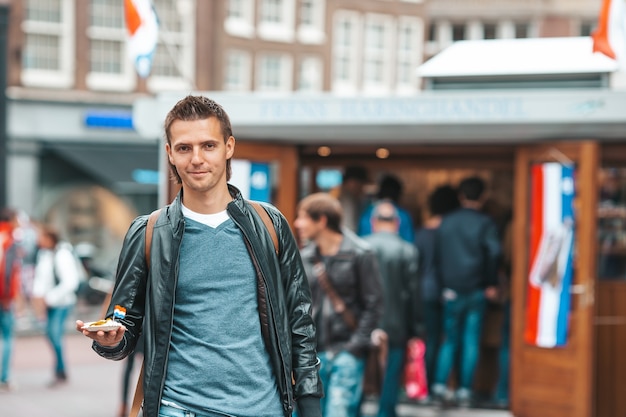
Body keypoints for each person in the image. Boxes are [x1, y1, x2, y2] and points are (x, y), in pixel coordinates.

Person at [76, 95, 323, 417]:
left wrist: (309, 402)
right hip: (179, 408)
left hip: (263, 407)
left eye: (208, 145)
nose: (196, 159)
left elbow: (299, 320)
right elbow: (123, 320)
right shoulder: (149, 231)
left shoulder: (270, 224)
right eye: (184, 148)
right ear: (170, 153)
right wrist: (110, 341)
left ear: (228, 147)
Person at [294, 192, 383, 417]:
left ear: (321, 220)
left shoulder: (359, 253)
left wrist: (354, 347)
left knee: (339, 412)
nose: (297, 224)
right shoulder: (305, 256)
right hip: (311, 354)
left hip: (346, 351)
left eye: (303, 217)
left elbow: (374, 304)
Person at [430, 176, 501, 407]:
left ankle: (440, 386)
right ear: (483, 196)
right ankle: (464, 390)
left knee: (449, 339)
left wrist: (442, 285)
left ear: (461, 196)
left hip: (450, 288)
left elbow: (437, 256)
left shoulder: (446, 222)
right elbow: (494, 252)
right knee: (471, 340)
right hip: (477, 289)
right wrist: (491, 283)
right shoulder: (486, 223)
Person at [362, 201, 419, 417]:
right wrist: (416, 326)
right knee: (392, 374)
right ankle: (385, 412)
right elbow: (413, 293)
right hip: (396, 322)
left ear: (373, 222)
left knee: (362, 372)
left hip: (364, 322)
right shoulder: (408, 250)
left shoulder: (361, 245)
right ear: (396, 223)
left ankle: (356, 409)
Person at [413, 185, 460, 394]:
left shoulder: (422, 233)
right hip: (446, 290)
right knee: (448, 338)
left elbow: (416, 264)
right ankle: (440, 383)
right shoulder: (449, 232)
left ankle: (427, 384)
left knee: (430, 338)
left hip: (424, 290)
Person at [32, 225, 80, 386]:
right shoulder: (44, 254)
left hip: (62, 302)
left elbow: (70, 282)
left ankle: (60, 370)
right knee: (51, 335)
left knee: (54, 334)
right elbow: (40, 278)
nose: (39, 240)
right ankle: (60, 369)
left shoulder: (63, 254)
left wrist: (50, 298)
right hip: (49, 302)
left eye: (42, 237)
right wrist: (38, 296)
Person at [0, 208, 21, 392]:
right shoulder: (9, 239)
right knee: (7, 337)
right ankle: (4, 377)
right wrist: (7, 296)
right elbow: (6, 271)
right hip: (3, 296)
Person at [358, 174, 414, 243]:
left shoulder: (368, 213)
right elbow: (409, 242)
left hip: (370, 252)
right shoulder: (404, 216)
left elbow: (361, 241)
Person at [336, 166, 370, 233]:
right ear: (351, 182)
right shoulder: (346, 200)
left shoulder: (356, 199)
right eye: (361, 183)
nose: (362, 188)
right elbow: (348, 228)